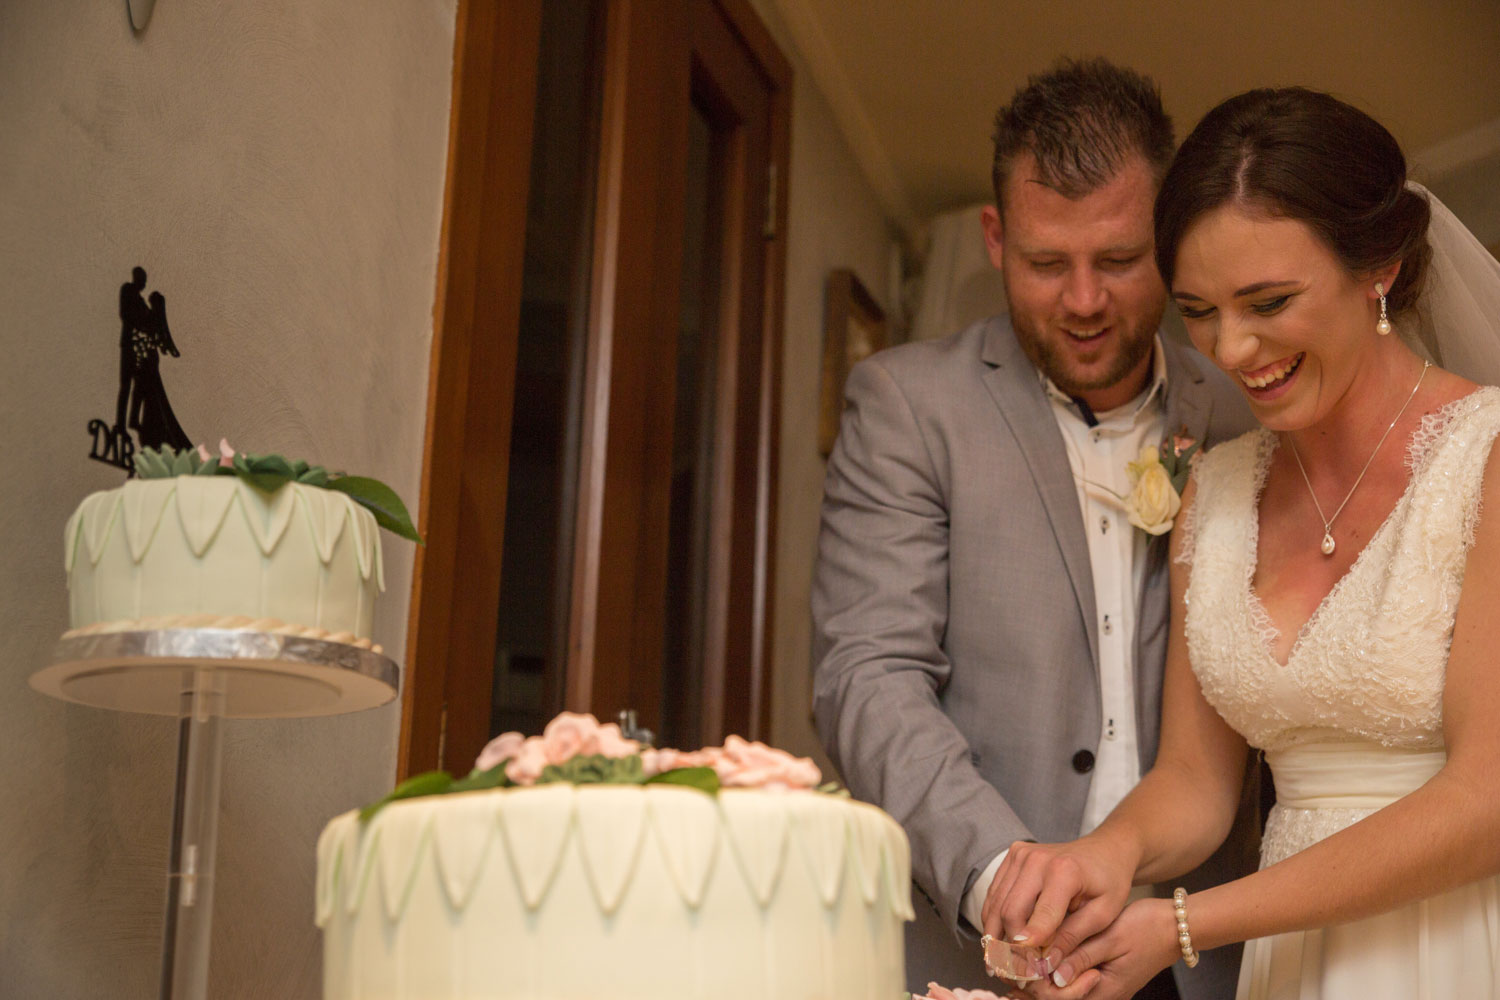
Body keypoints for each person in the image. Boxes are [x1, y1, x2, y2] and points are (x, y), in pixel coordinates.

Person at [985, 87, 1500, 1000]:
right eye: (1199, 310)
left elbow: (1484, 804)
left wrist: (1185, 924)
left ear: (1377, 265)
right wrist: (1105, 857)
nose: (1233, 347)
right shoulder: (1213, 493)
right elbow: (1195, 780)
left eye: (1268, 300)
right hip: (1294, 958)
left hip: (1459, 940)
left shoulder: (1486, 457)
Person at [811, 59, 1260, 1000]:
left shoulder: (1246, 408)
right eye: (1047, 263)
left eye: (1121, 259)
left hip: (1209, 950)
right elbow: (869, 673)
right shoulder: (908, 405)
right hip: (981, 952)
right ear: (994, 237)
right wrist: (1001, 880)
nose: (1085, 301)